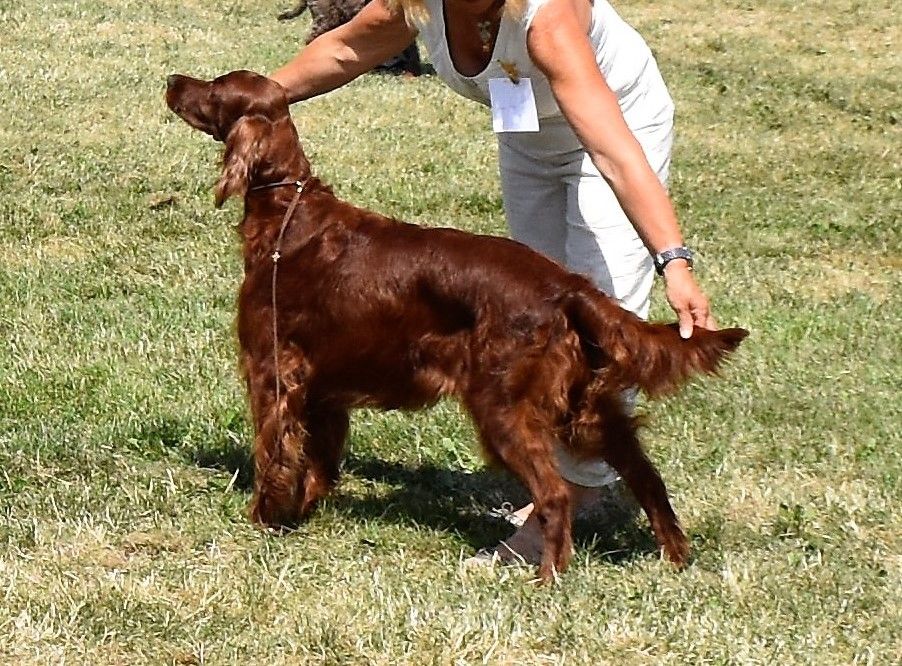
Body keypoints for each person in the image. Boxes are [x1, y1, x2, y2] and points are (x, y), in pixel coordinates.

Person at [269, 0, 718, 564]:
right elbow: (342, 49)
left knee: (598, 321)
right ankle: (562, 476)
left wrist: (672, 259)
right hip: (528, 136)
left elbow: (615, 154)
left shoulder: (548, 22)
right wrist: (258, 96)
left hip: (618, 131)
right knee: (538, 321)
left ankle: (576, 497)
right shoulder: (414, 4)